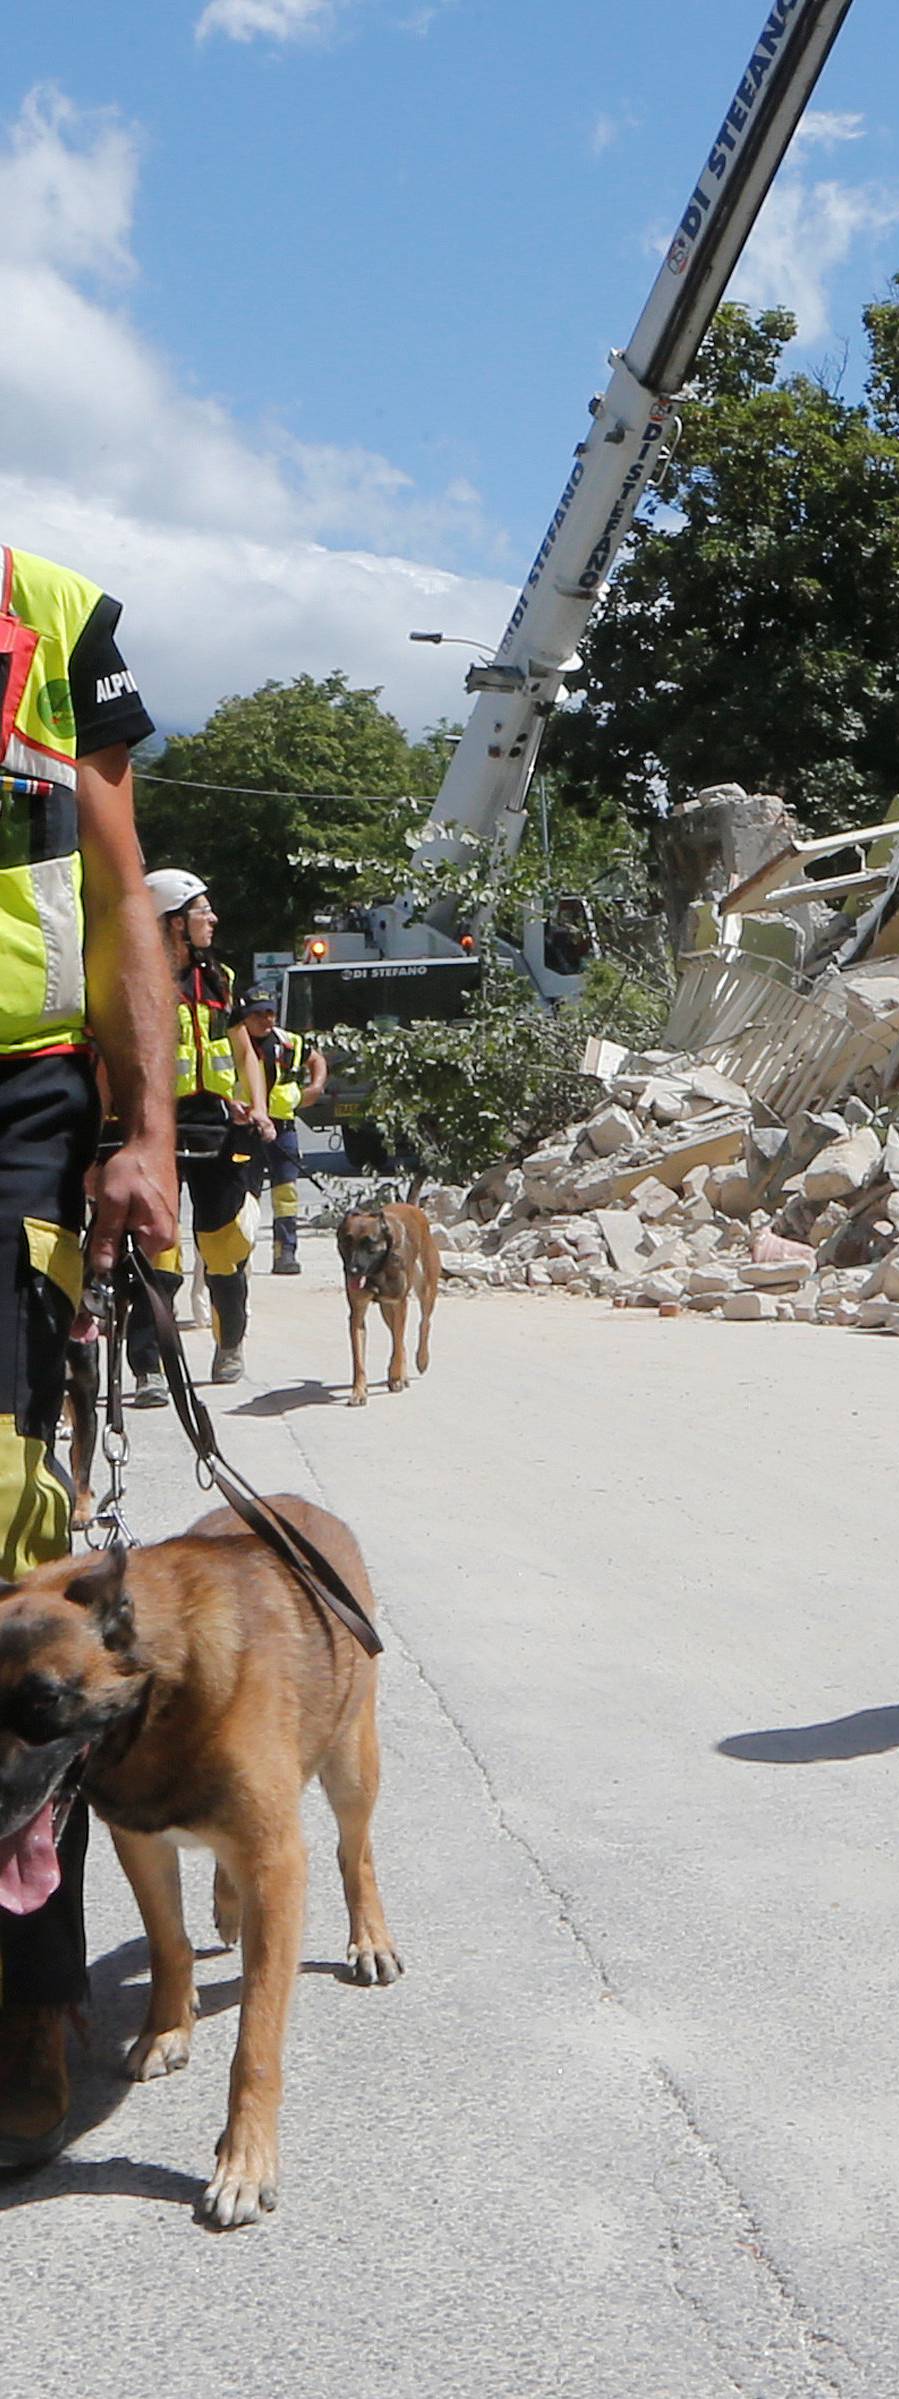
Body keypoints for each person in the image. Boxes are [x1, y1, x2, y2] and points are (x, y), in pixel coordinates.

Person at [0, 542, 176, 2170]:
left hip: (18, 1103)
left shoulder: (56, 627)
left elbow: (121, 885)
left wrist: (147, 1129)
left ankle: (31, 1999)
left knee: (0, 1521)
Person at [126, 871, 270, 1399]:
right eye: (201, 910)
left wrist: (257, 1107)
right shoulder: (136, 977)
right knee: (157, 1250)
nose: (213, 918)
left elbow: (243, 1052)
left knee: (225, 1245)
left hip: (218, 1126)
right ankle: (150, 1367)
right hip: (156, 1125)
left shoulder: (220, 978)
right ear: (173, 922)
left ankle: (229, 1341)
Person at [233, 983, 325, 1274]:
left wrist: (316, 1087)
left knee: (286, 1193)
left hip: (282, 1127)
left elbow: (316, 1058)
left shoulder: (287, 1042)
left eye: (271, 1013)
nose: (266, 1019)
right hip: (246, 1129)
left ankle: (285, 1251)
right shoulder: (234, 1043)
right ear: (245, 1015)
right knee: (246, 1193)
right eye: (259, 1014)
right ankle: (241, 1251)